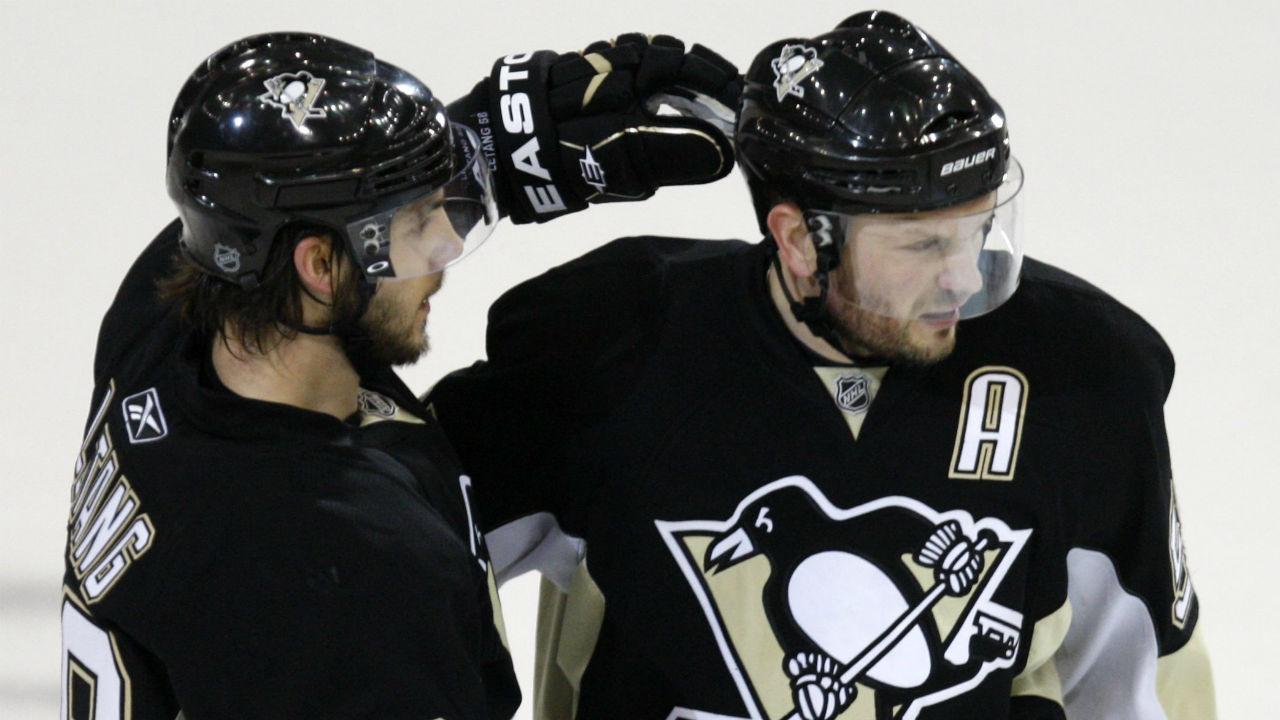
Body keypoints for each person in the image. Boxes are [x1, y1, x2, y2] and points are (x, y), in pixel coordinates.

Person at [427, 11, 1216, 720]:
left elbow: (1144, 681)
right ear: (802, 241)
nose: (965, 279)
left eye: (975, 231)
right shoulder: (616, 346)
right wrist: (458, 177)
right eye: (923, 245)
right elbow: (381, 549)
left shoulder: (1082, 379)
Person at [60, 31, 739, 719]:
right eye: (416, 224)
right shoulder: (347, 573)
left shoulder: (159, 328)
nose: (444, 250)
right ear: (319, 267)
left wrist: (496, 148)